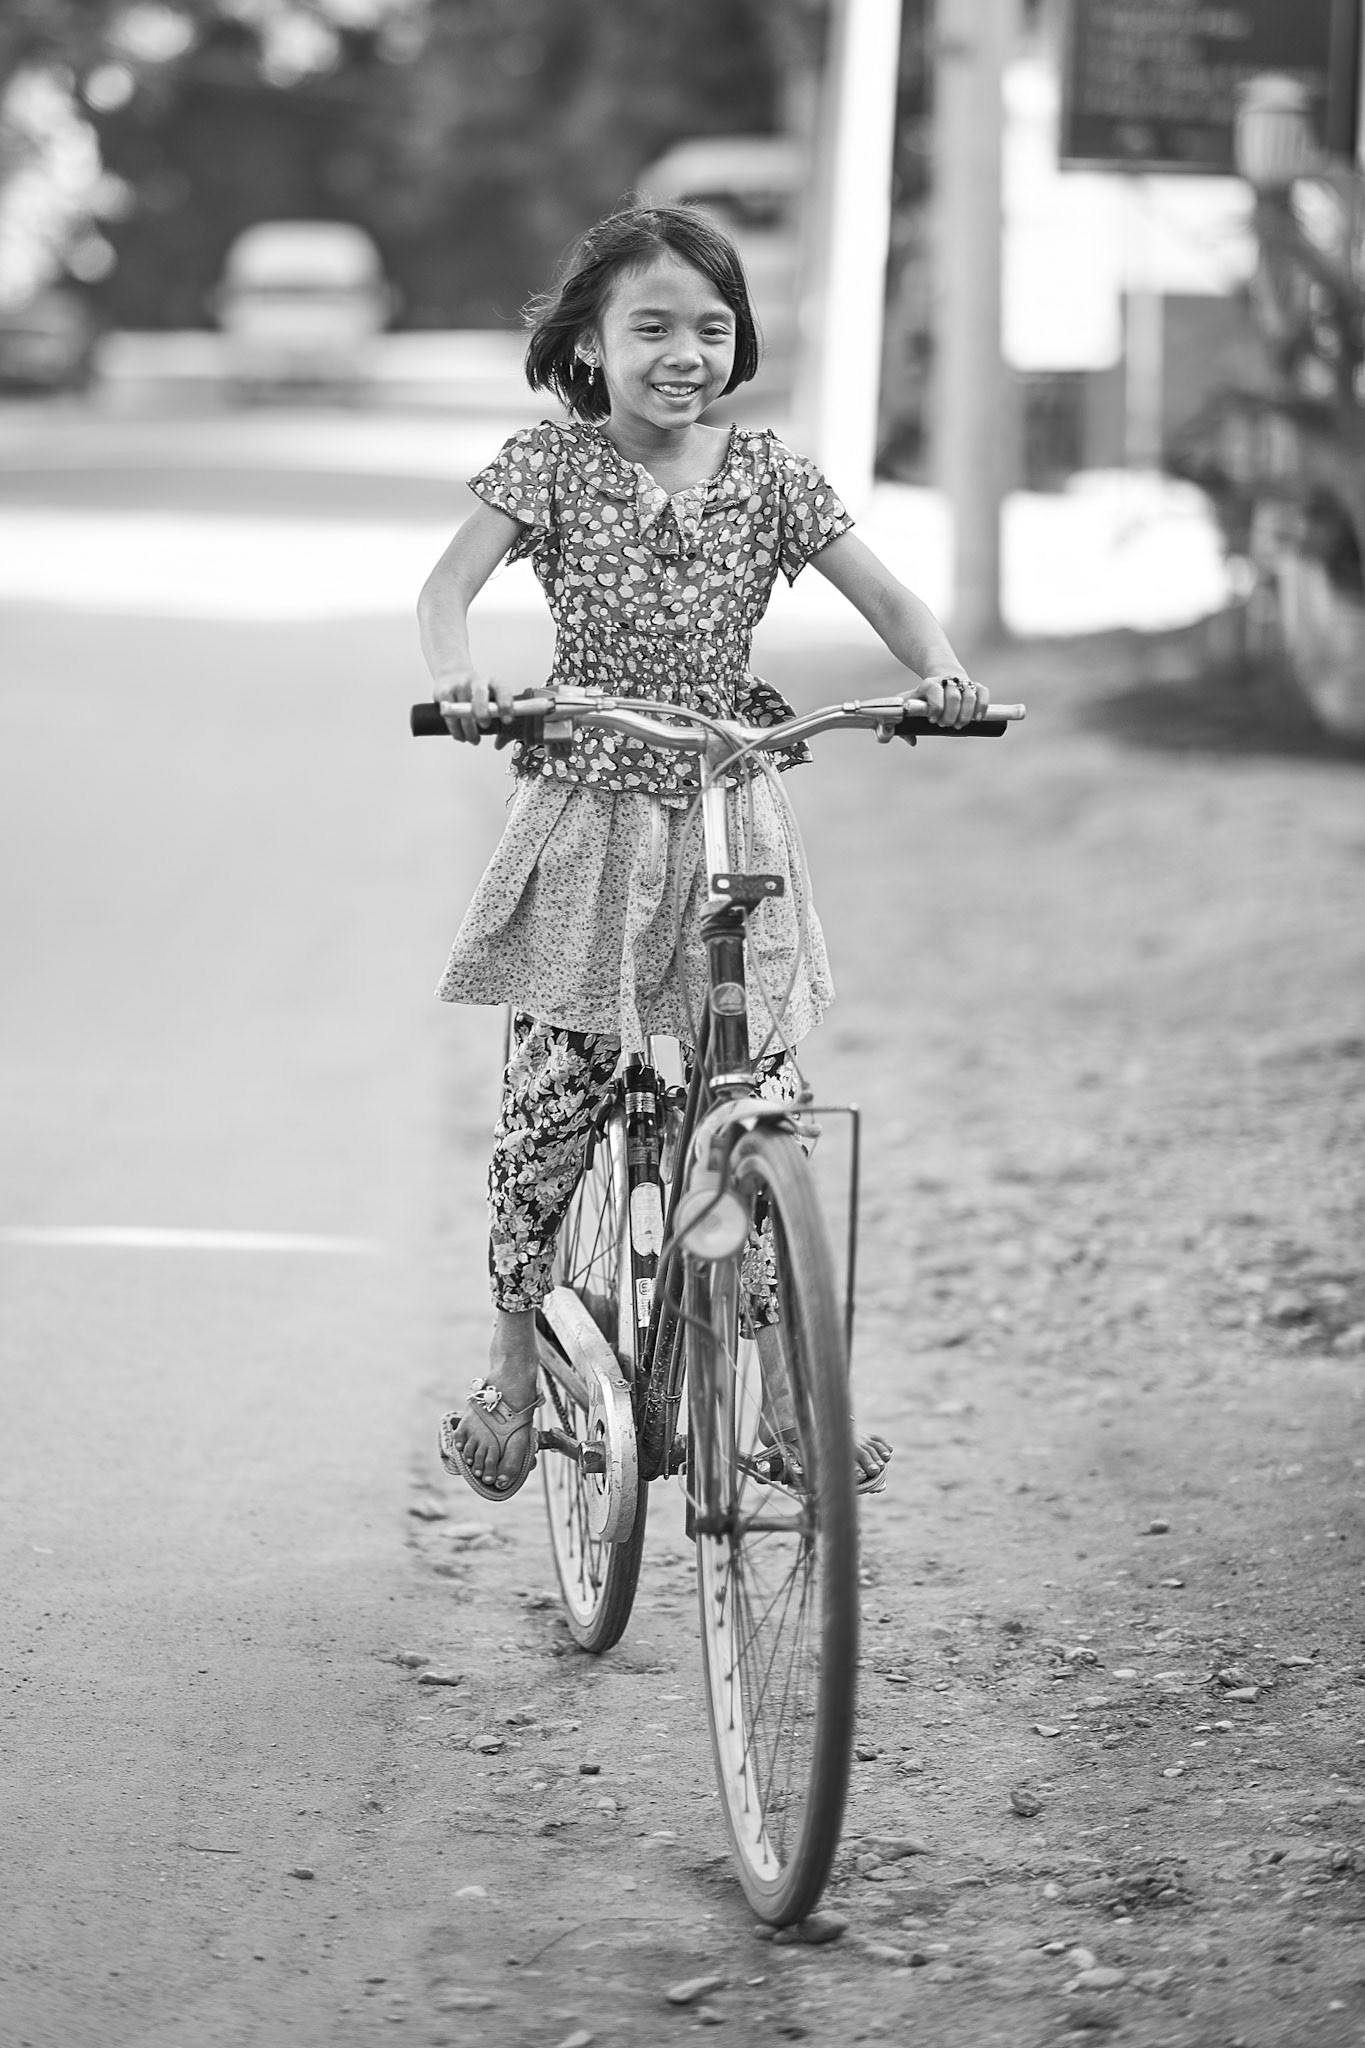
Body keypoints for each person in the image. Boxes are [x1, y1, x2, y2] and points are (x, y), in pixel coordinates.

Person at [417, 203, 987, 1502]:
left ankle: (787, 1405)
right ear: (591, 347)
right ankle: (511, 1364)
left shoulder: (774, 479)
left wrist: (943, 675)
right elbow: (446, 590)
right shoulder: (548, 469)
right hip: (589, 810)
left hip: (732, 810)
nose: (683, 350)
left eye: (710, 327)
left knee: (755, 1106)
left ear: (737, 348)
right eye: (650, 325)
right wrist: (461, 683)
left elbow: (893, 603)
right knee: (552, 1114)